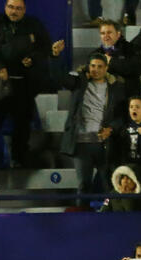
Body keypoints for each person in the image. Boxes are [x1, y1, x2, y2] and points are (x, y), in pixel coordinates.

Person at [0, 0, 51, 168]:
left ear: (24, 10)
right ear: (5, 8)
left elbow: (45, 46)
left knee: (22, 124)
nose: (14, 11)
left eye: (18, 8)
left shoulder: (33, 24)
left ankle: (19, 159)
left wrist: (32, 58)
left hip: (24, 84)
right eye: (11, 7)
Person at [53, 52, 126, 199]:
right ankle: (82, 218)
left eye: (100, 66)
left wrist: (110, 129)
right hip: (81, 144)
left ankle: (112, 217)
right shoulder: (79, 82)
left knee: (110, 185)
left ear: (106, 68)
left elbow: (122, 116)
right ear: (88, 66)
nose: (96, 69)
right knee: (84, 186)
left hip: (104, 144)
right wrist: (56, 57)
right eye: (93, 66)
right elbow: (59, 77)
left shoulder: (116, 87)